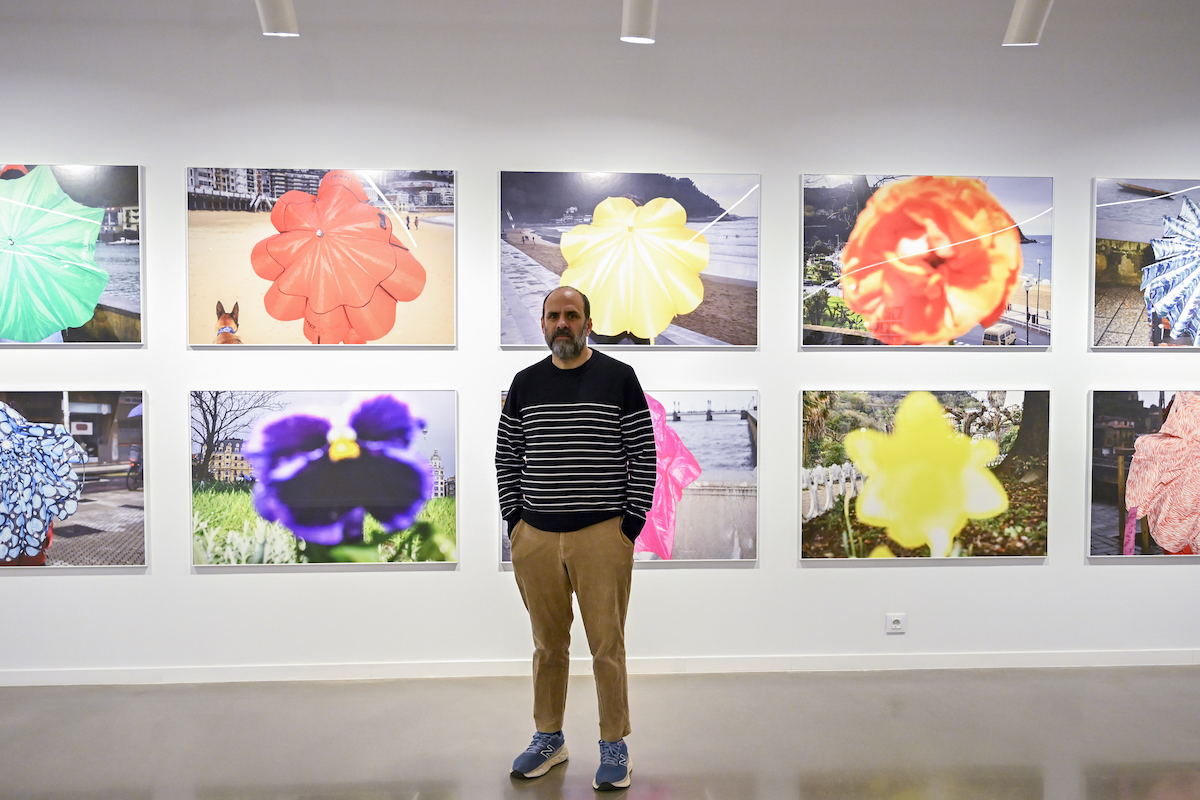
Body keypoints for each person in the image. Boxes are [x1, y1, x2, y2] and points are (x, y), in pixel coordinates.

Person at [496, 286, 656, 791]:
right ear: (542, 324)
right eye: (553, 316)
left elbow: (644, 456)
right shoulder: (524, 384)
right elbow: (507, 455)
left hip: (601, 535)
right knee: (548, 646)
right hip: (536, 537)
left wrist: (628, 524)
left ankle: (614, 746)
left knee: (607, 646)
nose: (561, 324)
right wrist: (514, 521)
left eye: (571, 315)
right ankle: (549, 737)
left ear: (588, 322)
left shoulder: (618, 378)